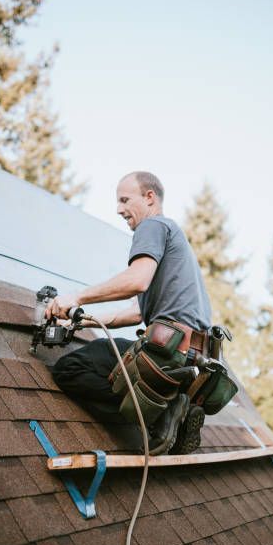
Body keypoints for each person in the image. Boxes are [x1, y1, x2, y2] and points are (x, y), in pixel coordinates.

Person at [46, 171, 212, 454]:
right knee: (103, 350)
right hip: (191, 359)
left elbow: (137, 280)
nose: (118, 209)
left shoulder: (153, 226)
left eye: (125, 200)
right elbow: (136, 313)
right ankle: (175, 411)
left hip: (165, 356)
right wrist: (81, 318)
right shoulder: (173, 240)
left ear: (149, 198)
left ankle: (161, 410)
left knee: (69, 369)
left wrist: (76, 295)